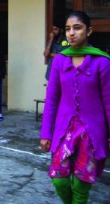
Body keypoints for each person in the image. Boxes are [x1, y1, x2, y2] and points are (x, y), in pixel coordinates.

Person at [40, 11, 110, 204]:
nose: (71, 33)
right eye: (69, 29)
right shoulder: (59, 60)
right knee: (58, 180)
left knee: (81, 185)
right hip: (65, 131)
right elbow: (52, 100)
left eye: (77, 28)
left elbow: (109, 102)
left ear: (89, 31)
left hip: (92, 133)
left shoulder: (102, 62)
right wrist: (46, 133)